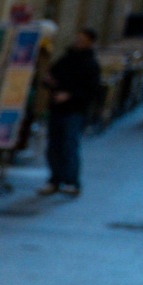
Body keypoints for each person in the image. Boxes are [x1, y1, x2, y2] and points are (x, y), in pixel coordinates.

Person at [40, 28, 103, 195]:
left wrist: (69, 96)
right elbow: (51, 75)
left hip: (74, 110)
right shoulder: (66, 59)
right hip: (57, 108)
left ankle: (72, 181)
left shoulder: (90, 65)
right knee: (54, 146)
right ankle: (55, 179)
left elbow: (91, 90)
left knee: (69, 145)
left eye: (83, 40)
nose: (78, 42)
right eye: (78, 38)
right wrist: (49, 82)